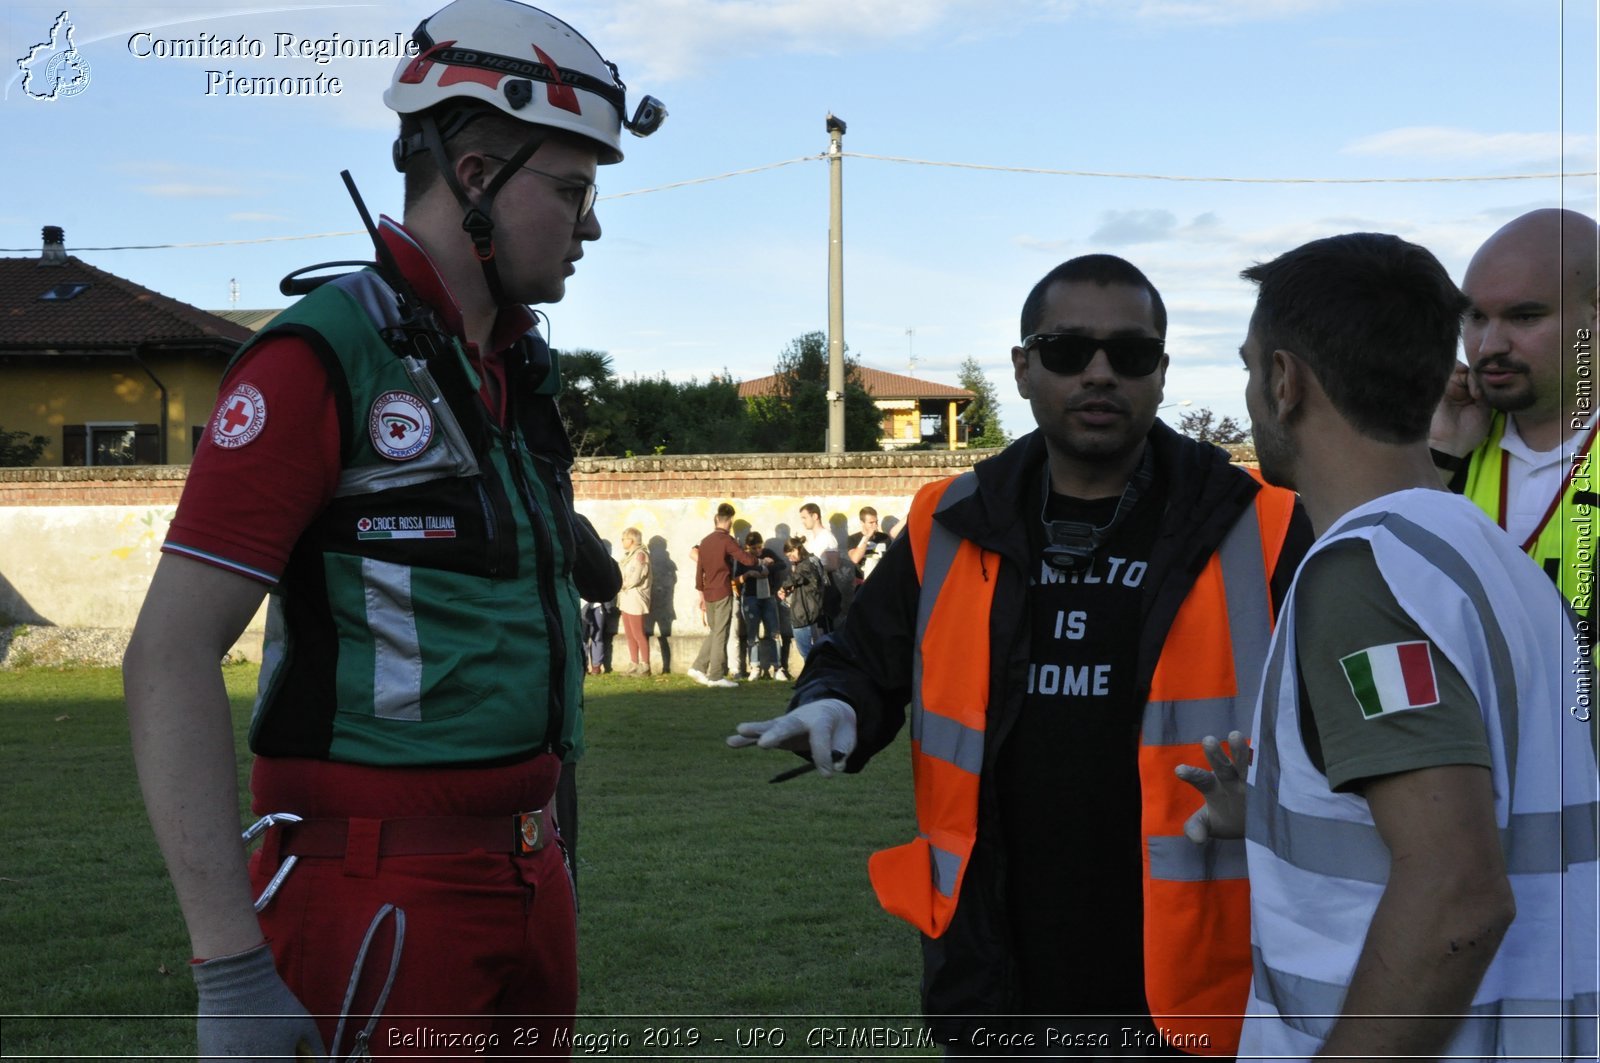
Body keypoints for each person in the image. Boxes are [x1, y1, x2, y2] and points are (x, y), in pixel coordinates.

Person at [121, 1, 664, 1056]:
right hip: (374, 881)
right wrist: (230, 973)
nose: (590, 225)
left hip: (525, 866)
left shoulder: (511, 365)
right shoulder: (320, 356)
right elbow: (168, 653)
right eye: (571, 190)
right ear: (475, 180)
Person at [730, 254, 1310, 1055]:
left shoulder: (1267, 525)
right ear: (1023, 367)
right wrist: (831, 703)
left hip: (1193, 979)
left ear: (1163, 372)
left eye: (1131, 354)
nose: (1100, 373)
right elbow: (862, 659)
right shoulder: (952, 516)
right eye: (1069, 351)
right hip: (998, 966)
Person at [1183, 231, 1597, 1059]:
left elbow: (1457, 895)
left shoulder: (1365, 575)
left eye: (1248, 366)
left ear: (1283, 380)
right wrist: (1269, 812)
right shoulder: (1491, 556)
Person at [1430, 209, 1599, 633]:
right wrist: (1439, 453)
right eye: (1475, 318)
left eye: (1524, 317)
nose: (1489, 345)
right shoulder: (1446, 446)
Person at [688, 502, 758, 689]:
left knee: (714, 631)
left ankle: (698, 667)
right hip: (722, 590)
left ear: (717, 519)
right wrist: (759, 560)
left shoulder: (705, 541)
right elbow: (745, 558)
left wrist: (700, 591)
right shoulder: (727, 540)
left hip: (708, 591)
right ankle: (716, 675)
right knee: (721, 633)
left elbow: (699, 569)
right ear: (730, 521)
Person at [733, 530, 786, 681]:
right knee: (752, 633)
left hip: (768, 596)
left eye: (759, 547)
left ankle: (777, 667)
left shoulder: (767, 553)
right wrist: (750, 574)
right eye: (754, 548)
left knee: (774, 632)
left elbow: (782, 565)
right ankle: (755, 667)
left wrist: (768, 568)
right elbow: (736, 579)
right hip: (750, 597)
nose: (758, 551)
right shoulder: (744, 558)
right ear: (747, 548)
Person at [777, 535, 826, 667]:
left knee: (806, 650)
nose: (789, 559)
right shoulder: (814, 560)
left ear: (797, 549)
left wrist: (784, 587)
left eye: (790, 555)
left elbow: (799, 577)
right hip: (813, 610)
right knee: (812, 650)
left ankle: (813, 677)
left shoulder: (805, 564)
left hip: (804, 612)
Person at [617, 527, 652, 675]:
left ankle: (645, 665)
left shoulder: (640, 555)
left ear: (631, 540)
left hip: (635, 597)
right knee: (629, 633)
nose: (622, 542)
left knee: (638, 632)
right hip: (626, 597)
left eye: (623, 539)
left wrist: (621, 584)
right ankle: (633, 663)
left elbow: (635, 577)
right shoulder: (630, 555)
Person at [845, 506, 895, 582]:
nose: (875, 525)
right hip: (863, 583)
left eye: (876, 522)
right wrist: (867, 537)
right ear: (862, 523)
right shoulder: (853, 539)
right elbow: (855, 559)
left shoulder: (885, 538)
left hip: (882, 581)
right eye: (871, 523)